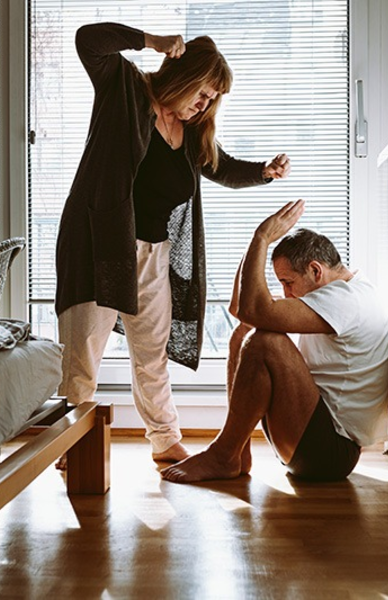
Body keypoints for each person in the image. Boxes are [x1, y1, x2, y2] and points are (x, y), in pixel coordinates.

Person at [55, 22, 291, 465]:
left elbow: (222, 169)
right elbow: (89, 39)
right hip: (99, 247)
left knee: (151, 354)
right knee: (83, 356)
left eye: (212, 101)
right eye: (203, 93)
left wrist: (264, 171)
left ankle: (164, 440)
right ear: (184, 76)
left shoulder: (192, 135)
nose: (204, 106)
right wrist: (153, 42)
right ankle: (68, 448)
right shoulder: (124, 89)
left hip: (153, 255)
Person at [161, 199, 388, 483]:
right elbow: (241, 311)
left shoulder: (346, 301)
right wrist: (255, 244)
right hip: (310, 433)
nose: (285, 293)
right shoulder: (343, 292)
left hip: (330, 452)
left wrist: (262, 238)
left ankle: (223, 454)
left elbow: (254, 311)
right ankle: (237, 453)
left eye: (287, 282)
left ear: (315, 270)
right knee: (242, 337)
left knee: (266, 342)